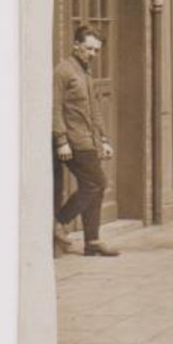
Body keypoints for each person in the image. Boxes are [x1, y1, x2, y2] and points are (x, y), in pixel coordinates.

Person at [54, 26, 117, 257]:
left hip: (89, 140)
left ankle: (92, 241)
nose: (92, 54)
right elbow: (55, 108)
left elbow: (94, 111)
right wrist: (61, 140)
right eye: (88, 48)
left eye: (96, 50)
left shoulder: (85, 72)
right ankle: (58, 222)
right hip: (72, 141)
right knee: (96, 183)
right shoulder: (63, 71)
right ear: (76, 45)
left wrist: (103, 138)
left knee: (97, 188)